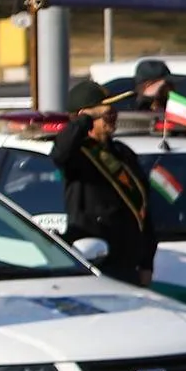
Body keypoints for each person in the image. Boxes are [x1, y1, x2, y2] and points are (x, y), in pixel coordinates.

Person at [50, 80, 156, 286]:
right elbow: (60, 152)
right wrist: (85, 119)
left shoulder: (122, 153)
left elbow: (144, 210)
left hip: (129, 266)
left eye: (113, 110)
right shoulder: (77, 155)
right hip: (96, 262)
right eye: (106, 112)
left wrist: (146, 263)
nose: (113, 115)